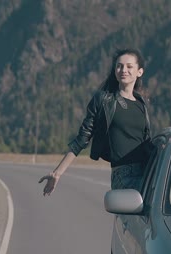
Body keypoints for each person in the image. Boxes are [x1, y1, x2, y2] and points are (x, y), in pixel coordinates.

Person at [38, 48, 152, 196]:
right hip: (124, 176)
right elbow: (82, 139)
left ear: (139, 72)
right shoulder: (103, 100)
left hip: (147, 172)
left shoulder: (141, 104)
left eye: (129, 66)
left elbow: (146, 142)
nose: (123, 70)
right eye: (119, 66)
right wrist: (57, 173)